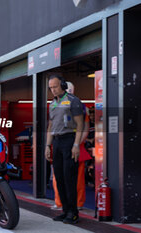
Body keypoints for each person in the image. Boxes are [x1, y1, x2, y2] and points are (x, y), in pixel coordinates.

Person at [45, 75, 84, 224]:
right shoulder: (52, 104)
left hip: (69, 141)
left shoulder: (73, 101)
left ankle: (73, 213)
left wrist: (76, 145)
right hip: (57, 141)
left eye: (55, 87)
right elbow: (50, 126)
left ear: (62, 85)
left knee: (69, 178)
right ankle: (65, 211)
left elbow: (80, 125)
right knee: (59, 178)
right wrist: (48, 146)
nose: (53, 90)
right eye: (51, 88)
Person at [52, 81, 91, 211]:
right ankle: (61, 203)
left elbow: (84, 128)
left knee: (75, 179)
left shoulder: (79, 106)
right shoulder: (56, 104)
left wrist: (75, 144)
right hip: (63, 144)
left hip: (74, 145)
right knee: (59, 177)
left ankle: (76, 204)